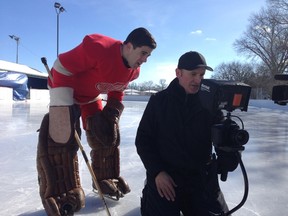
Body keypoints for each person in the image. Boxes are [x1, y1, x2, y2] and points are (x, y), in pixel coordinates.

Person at [36, 27, 157, 216]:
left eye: (148, 55)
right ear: (129, 46)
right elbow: (62, 65)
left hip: (90, 95)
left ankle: (104, 176)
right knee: (63, 136)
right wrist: (64, 109)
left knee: (105, 132)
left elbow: (117, 89)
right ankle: (61, 189)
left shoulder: (133, 71)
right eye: (143, 53)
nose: (145, 59)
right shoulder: (98, 47)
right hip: (64, 83)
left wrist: (112, 115)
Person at [135, 51, 233, 216]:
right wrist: (157, 172)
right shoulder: (159, 101)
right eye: (193, 74)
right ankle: (149, 193)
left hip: (200, 177)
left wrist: (229, 153)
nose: (198, 79)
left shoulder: (210, 105)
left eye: (201, 75)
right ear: (178, 73)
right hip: (167, 177)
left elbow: (223, 135)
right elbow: (143, 140)